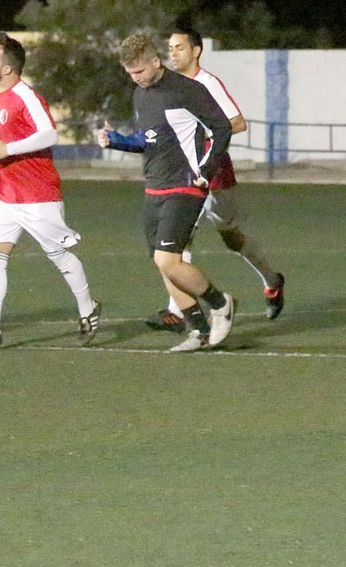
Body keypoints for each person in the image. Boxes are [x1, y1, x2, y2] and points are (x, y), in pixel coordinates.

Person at [95, 34, 239, 353]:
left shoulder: (187, 90)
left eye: (140, 72)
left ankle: (220, 303)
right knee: (163, 264)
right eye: (130, 74)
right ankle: (200, 331)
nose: (136, 79)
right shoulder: (141, 95)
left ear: (155, 61)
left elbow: (222, 127)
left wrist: (208, 169)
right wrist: (115, 140)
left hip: (186, 184)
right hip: (154, 186)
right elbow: (148, 140)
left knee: (167, 259)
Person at [140, 26, 288, 332]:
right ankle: (177, 311)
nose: (173, 53)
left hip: (214, 172)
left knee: (230, 235)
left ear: (196, 51)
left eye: (180, 47)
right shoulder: (168, 87)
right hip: (182, 175)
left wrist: (201, 134)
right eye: (170, 48)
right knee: (179, 238)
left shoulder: (206, 83)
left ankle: (271, 280)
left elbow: (236, 122)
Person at [0, 32, 100, 347]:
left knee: (59, 255)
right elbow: (8, 135)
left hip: (38, 194)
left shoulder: (26, 95)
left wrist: (6, 147)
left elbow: (49, 134)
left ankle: (88, 308)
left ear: (8, 69)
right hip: (6, 193)